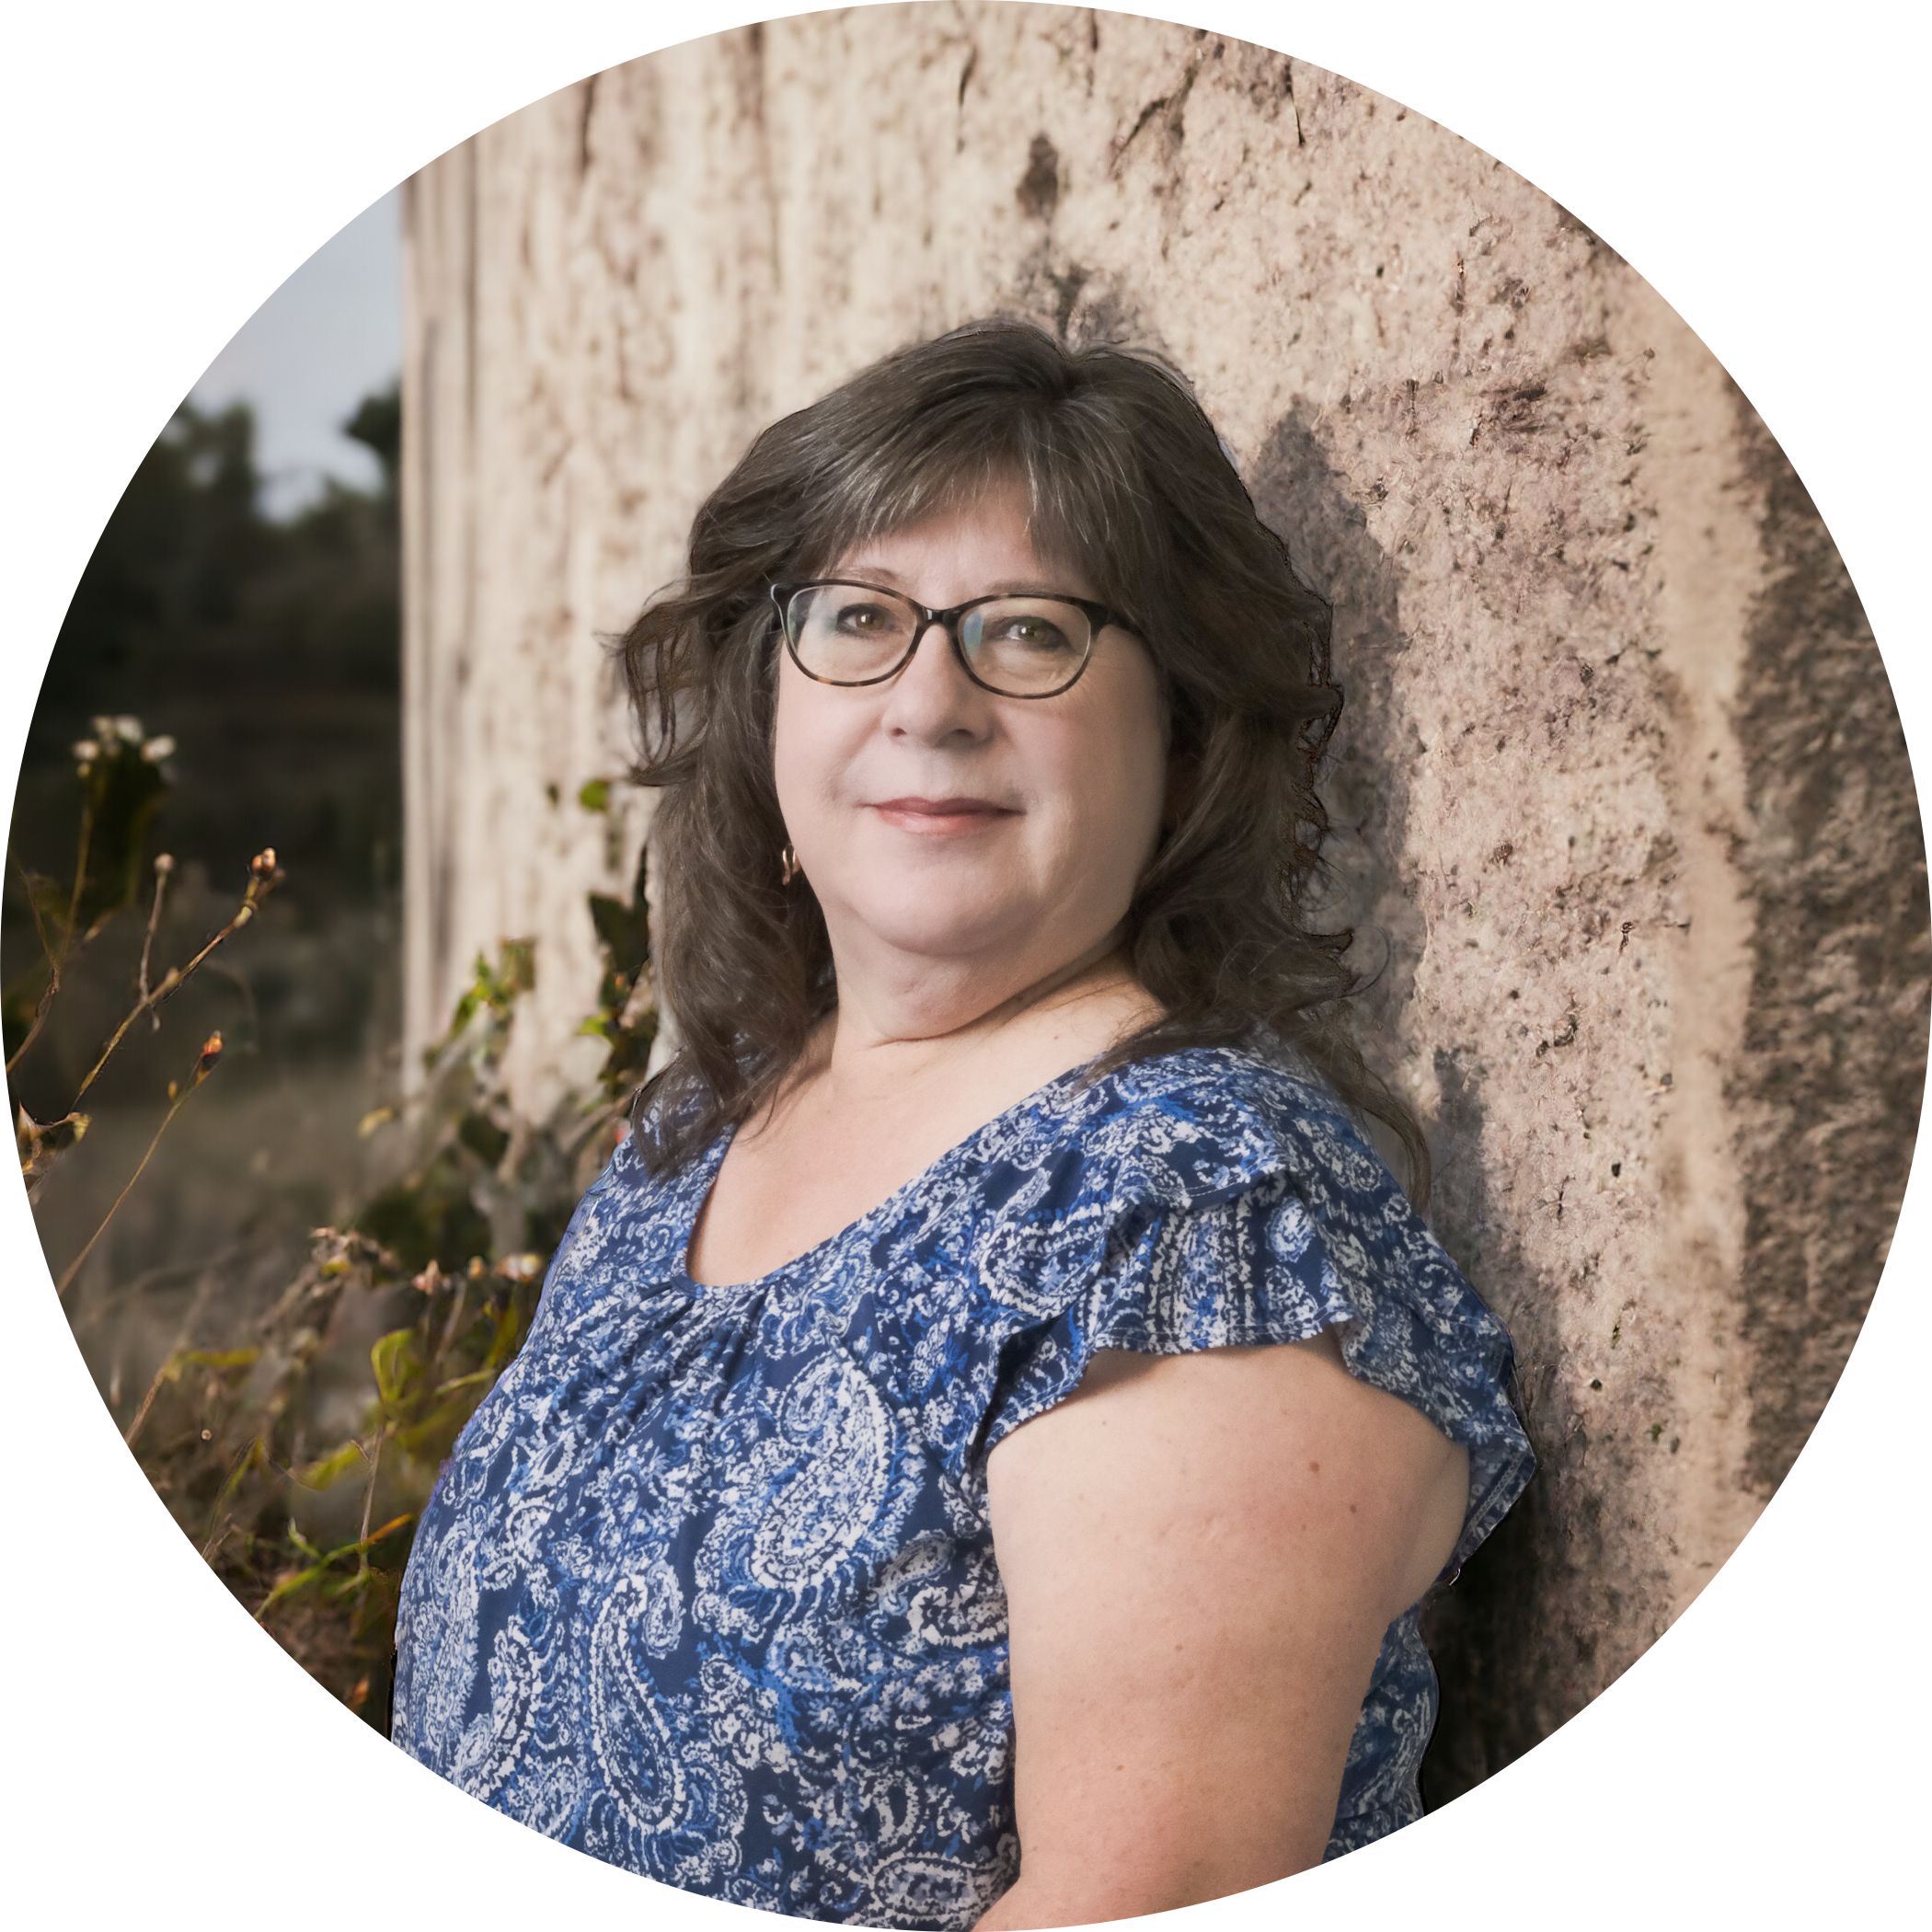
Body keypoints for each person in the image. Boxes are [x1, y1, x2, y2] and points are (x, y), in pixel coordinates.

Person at [390, 316, 1536, 1928]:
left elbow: (1143, 1898)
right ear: (764, 707)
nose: (930, 699)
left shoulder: (1197, 1220)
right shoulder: (689, 1148)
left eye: (1027, 633)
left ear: (1184, 737)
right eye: (858, 619)